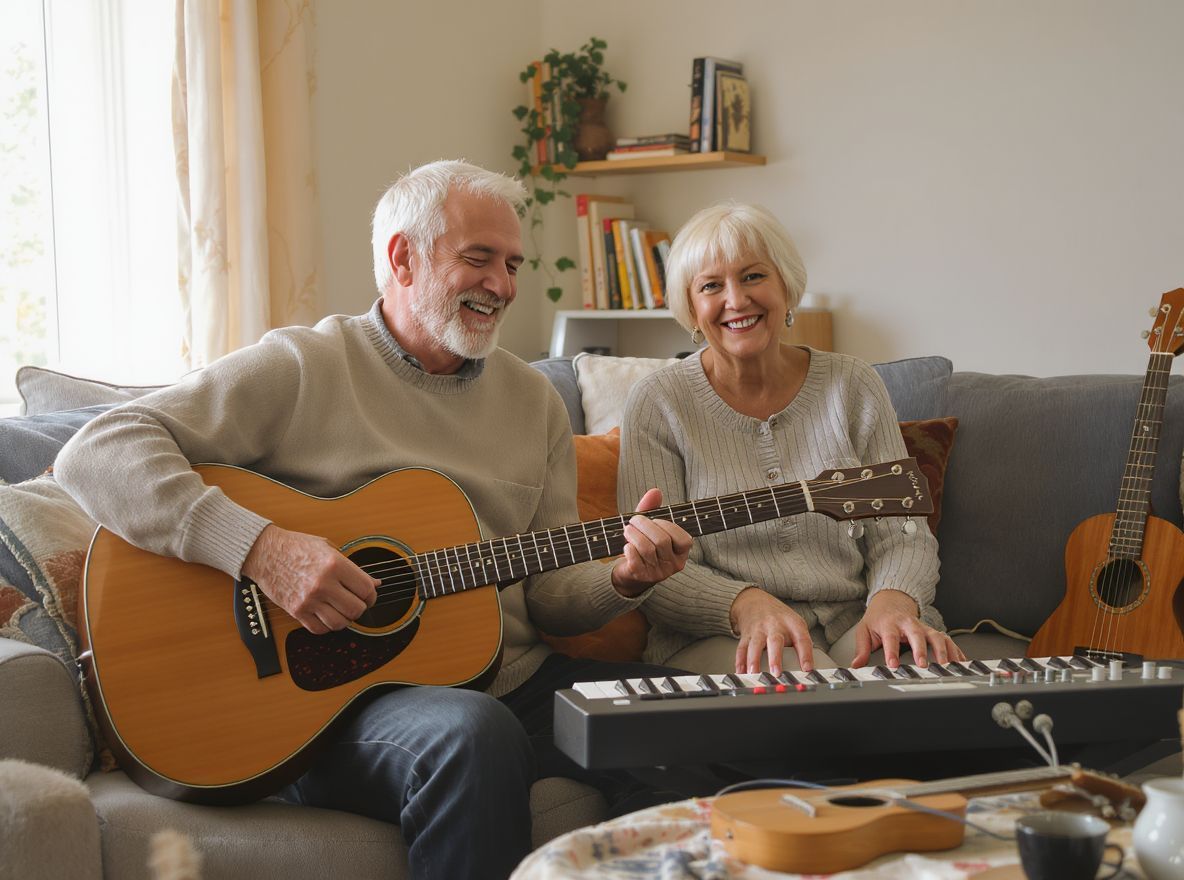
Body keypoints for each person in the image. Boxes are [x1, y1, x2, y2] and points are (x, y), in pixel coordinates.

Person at [54, 160, 692, 880]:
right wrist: (260, 548)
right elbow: (96, 450)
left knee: (667, 716)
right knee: (470, 734)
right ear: (402, 257)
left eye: (513, 264)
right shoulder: (303, 365)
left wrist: (623, 577)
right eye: (479, 258)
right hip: (330, 699)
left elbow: (545, 592)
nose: (505, 286)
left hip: (510, 676)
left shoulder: (532, 402)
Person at [617, 202, 964, 678]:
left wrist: (892, 601)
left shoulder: (852, 384)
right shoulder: (658, 403)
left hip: (854, 621)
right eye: (711, 286)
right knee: (805, 691)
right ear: (691, 308)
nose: (736, 300)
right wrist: (744, 603)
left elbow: (902, 532)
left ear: (786, 286)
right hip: (721, 636)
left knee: (921, 682)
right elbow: (653, 568)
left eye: (754, 276)